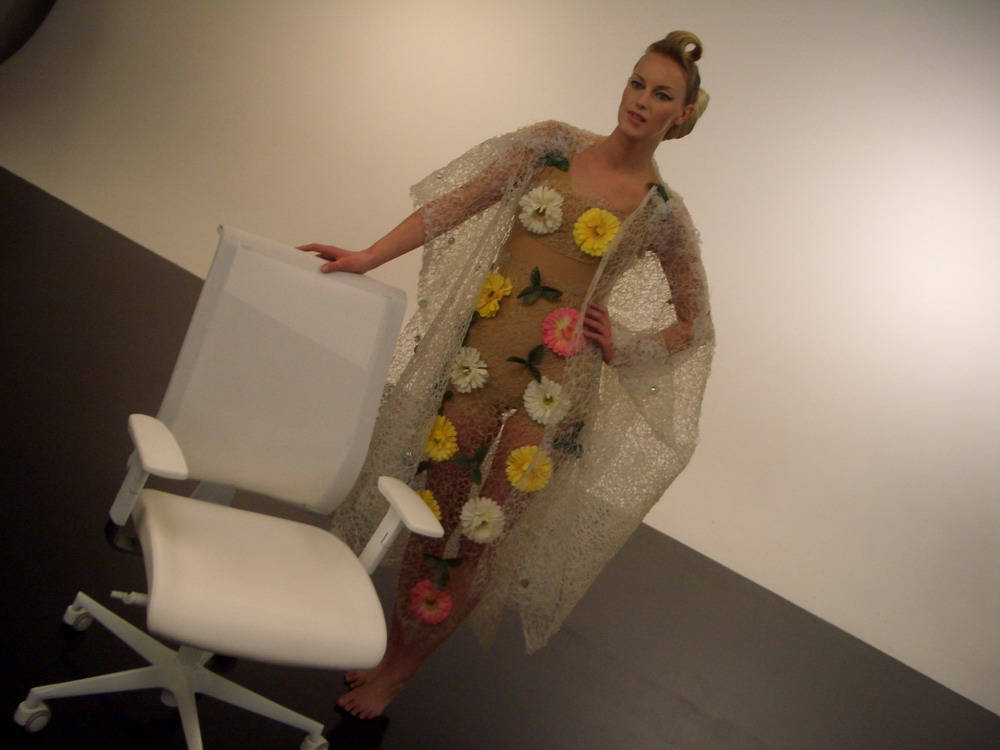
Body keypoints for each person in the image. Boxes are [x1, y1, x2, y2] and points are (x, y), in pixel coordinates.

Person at [298, 30, 715, 719]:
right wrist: (370, 256)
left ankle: (402, 670)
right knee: (432, 513)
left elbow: (692, 322)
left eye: (661, 94)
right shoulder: (549, 146)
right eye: (637, 82)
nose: (641, 100)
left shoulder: (661, 213)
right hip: (479, 363)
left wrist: (626, 346)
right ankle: (393, 646)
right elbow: (456, 203)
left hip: (556, 393)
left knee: (482, 533)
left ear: (682, 115)